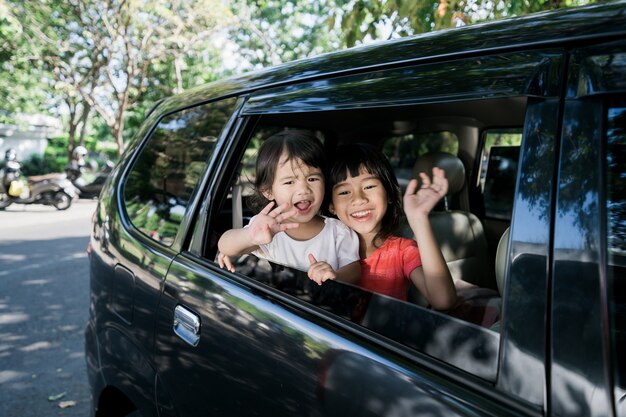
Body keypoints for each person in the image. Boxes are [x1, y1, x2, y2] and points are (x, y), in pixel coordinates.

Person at [218, 131, 361, 285]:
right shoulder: (265, 228)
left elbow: (354, 269)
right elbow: (225, 245)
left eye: (312, 178)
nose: (303, 189)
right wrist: (249, 237)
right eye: (289, 182)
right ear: (268, 191)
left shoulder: (338, 232)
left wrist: (335, 275)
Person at [328, 143, 456, 310]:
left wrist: (418, 219)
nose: (358, 199)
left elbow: (443, 300)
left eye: (369, 187)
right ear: (331, 206)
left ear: (388, 194)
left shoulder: (402, 251)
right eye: (344, 192)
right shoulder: (324, 246)